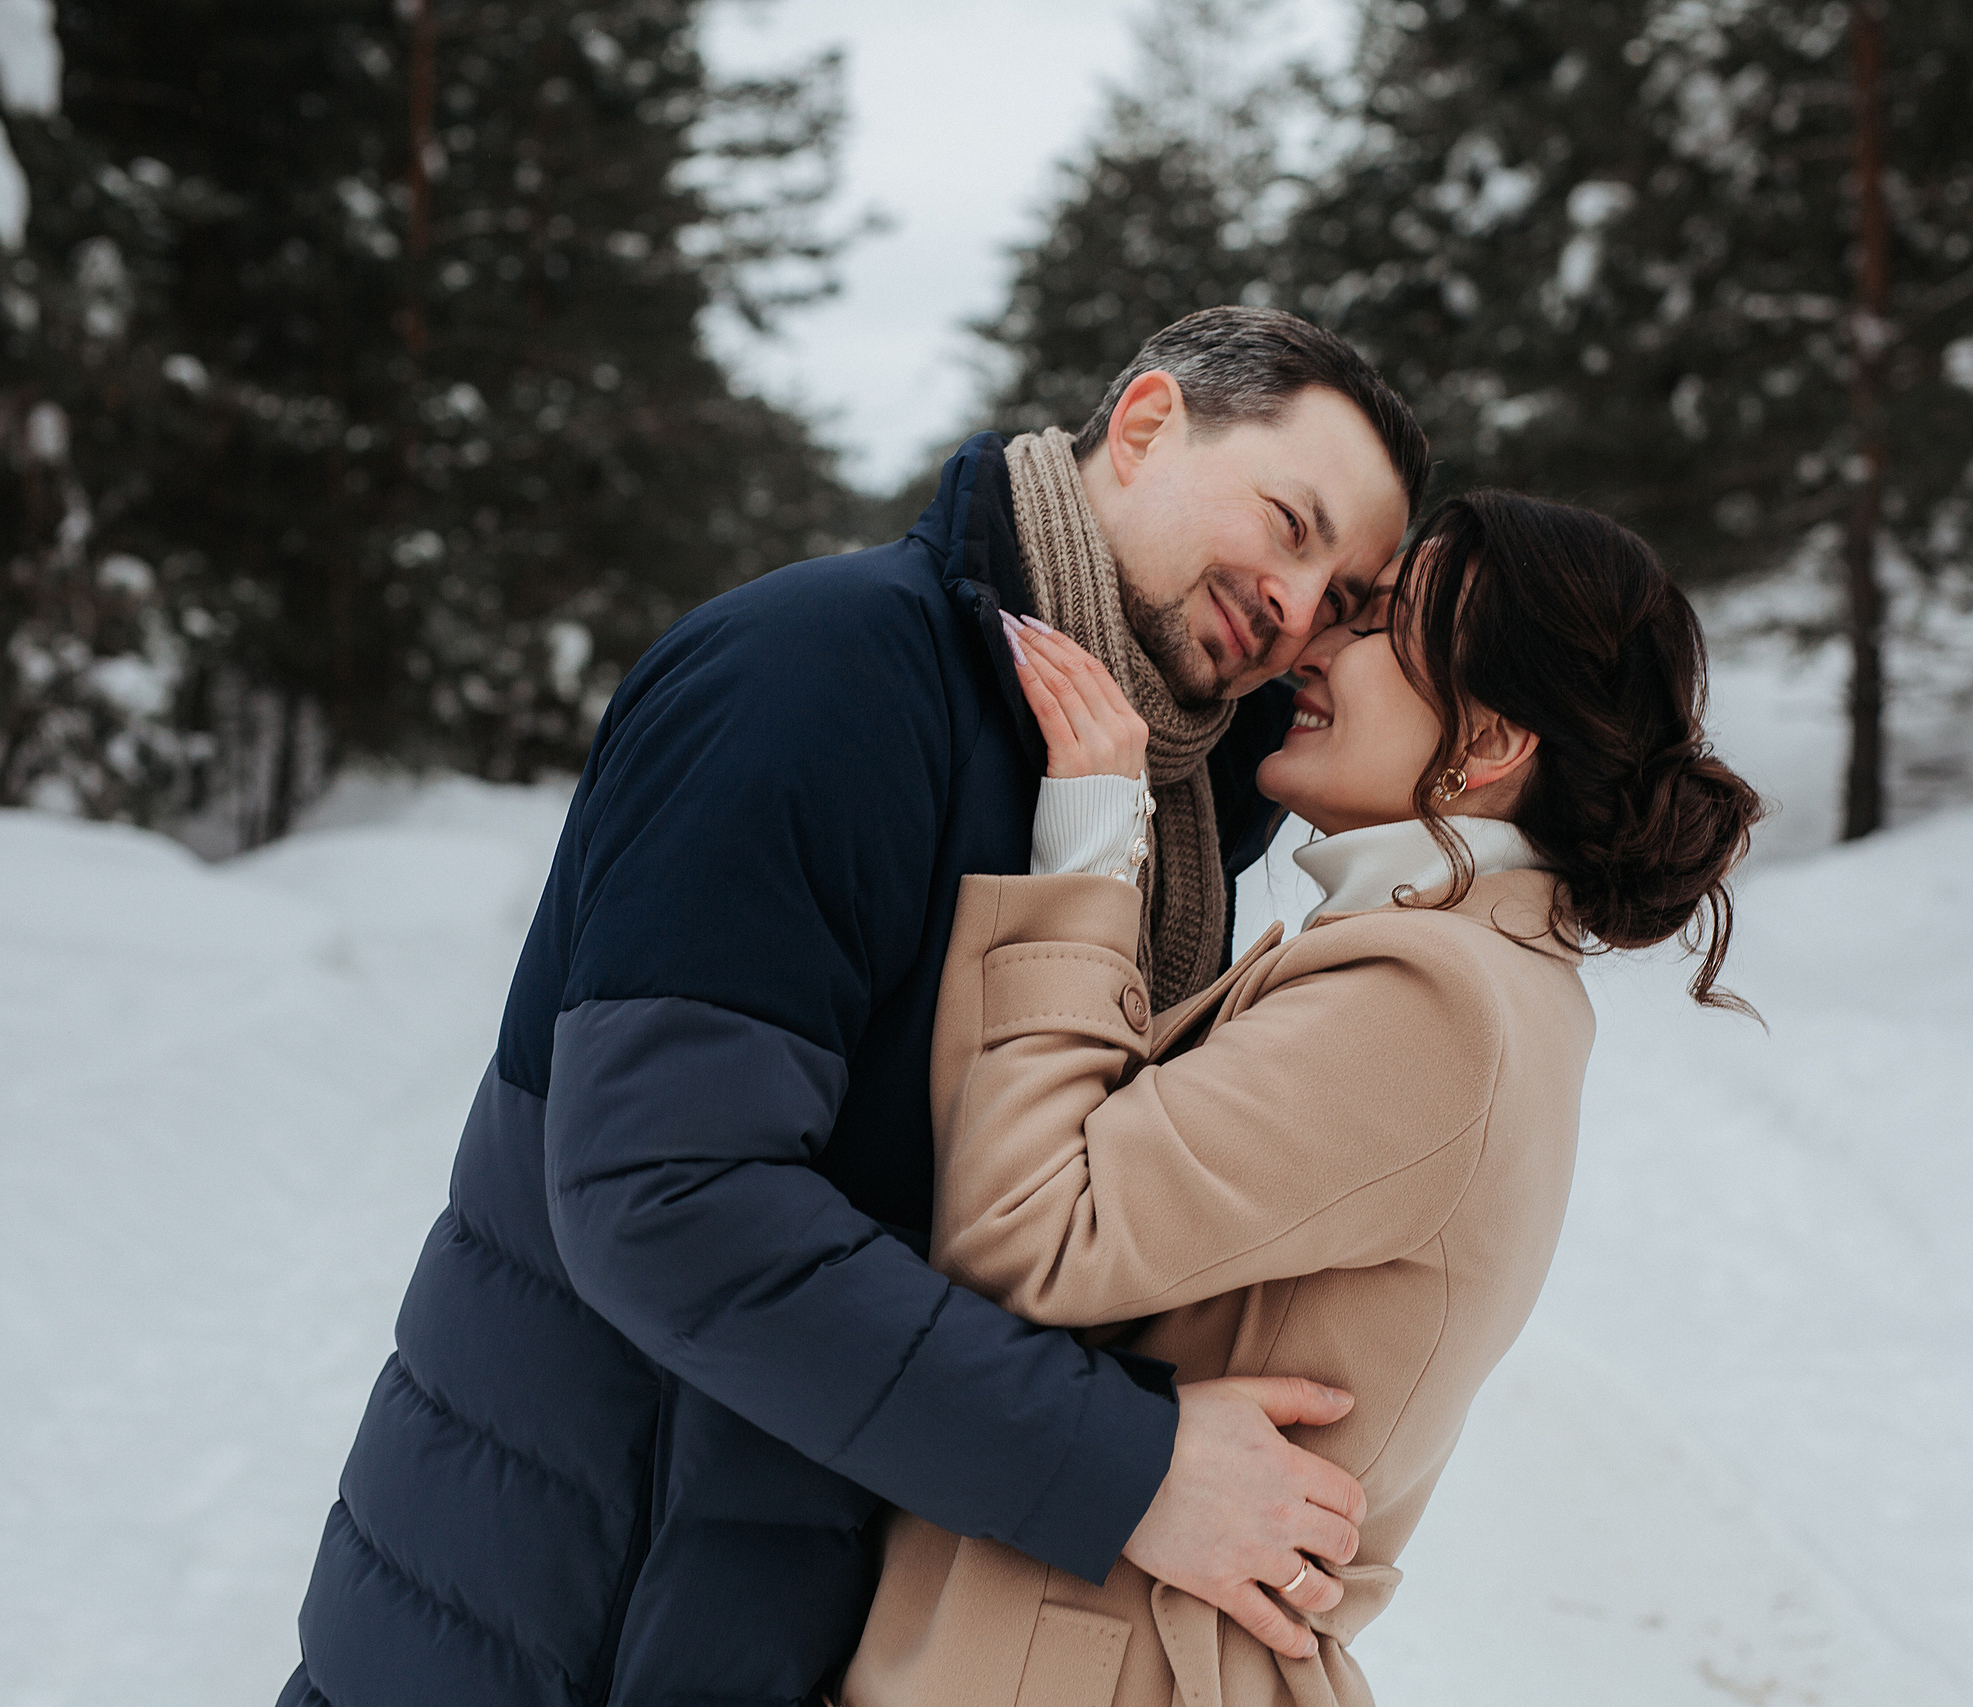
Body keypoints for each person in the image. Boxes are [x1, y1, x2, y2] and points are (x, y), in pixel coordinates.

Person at [275, 308, 1428, 1707]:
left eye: (1347, 600)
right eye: (1290, 524)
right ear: (1141, 425)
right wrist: (1129, 1469)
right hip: (562, 1623)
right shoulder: (816, 679)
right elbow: (664, 1193)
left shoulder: (1158, 803)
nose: (1298, 609)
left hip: (777, 1613)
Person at [842, 491, 1764, 1704]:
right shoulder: (1465, 971)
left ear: (1487, 745)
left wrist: (1088, 847)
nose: (1313, 649)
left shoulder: (1431, 998)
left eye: (1377, 625)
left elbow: (1030, 1235)